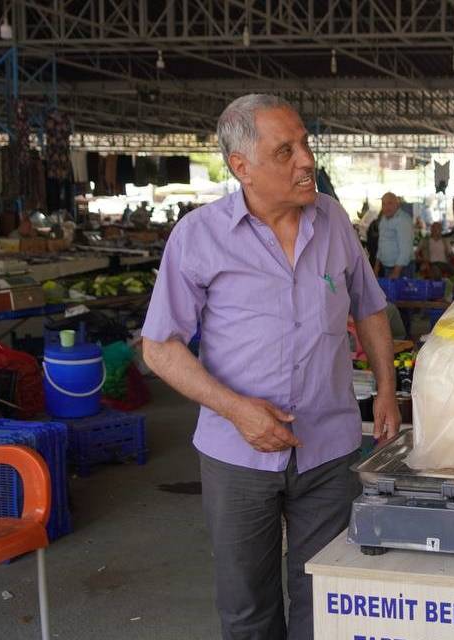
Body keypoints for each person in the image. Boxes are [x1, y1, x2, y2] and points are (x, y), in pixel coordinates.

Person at [140, 94, 400, 640]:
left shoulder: (332, 219)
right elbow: (160, 348)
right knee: (247, 610)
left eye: (305, 143)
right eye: (285, 151)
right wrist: (237, 411)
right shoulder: (198, 236)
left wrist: (386, 388)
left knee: (325, 599)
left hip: (328, 451)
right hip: (238, 457)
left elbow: (370, 306)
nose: (306, 159)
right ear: (242, 168)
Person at [375, 191, 413, 278]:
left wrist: (396, 272)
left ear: (397, 204)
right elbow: (381, 243)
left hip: (402, 269)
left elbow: (405, 250)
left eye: (389, 203)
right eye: (383, 204)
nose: (386, 207)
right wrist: (376, 268)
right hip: (387, 267)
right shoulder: (384, 219)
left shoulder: (403, 220)